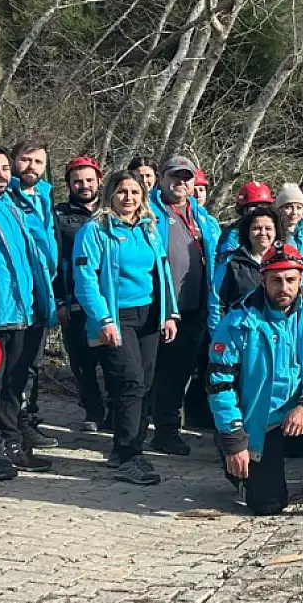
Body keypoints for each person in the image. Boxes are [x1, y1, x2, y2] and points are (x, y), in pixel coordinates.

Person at [207, 242, 303, 516]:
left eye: (291, 280)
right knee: (267, 506)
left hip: (302, 412)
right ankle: (233, 461)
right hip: (260, 421)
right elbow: (220, 385)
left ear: (301, 278)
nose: (284, 287)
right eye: (276, 280)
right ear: (262, 279)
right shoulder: (237, 322)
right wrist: (234, 439)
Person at [72, 170, 179, 485]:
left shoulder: (150, 229)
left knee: (143, 383)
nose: (128, 198)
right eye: (122, 192)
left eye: (134, 192)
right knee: (130, 381)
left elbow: (163, 273)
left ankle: (126, 447)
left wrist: (169, 313)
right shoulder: (95, 230)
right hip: (117, 316)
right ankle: (129, 454)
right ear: (110, 195)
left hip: (149, 315)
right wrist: (102, 319)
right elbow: (86, 278)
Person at [0, 146, 57, 479]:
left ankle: (13, 443)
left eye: (4, 168)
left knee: (13, 386)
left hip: (25, 310)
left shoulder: (17, 206)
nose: (1, 174)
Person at [148, 155, 222, 454]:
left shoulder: (204, 218)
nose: (180, 182)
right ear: (161, 178)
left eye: (186, 177)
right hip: (158, 306)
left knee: (178, 373)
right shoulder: (149, 212)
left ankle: (166, 430)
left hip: (195, 306)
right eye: (174, 176)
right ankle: (139, 430)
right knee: (151, 372)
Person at [7, 140, 59, 450]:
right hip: (16, 293)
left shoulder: (43, 196)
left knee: (32, 363)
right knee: (14, 365)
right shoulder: (6, 196)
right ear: (14, 161)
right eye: (26, 160)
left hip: (42, 289)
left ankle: (27, 420)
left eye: (39, 161)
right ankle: (12, 427)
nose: (32, 167)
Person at [54, 156, 108, 432]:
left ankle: (114, 412)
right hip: (74, 301)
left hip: (110, 301)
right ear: (69, 184)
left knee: (113, 360)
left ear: (99, 179)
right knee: (82, 361)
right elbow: (54, 261)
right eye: (77, 181)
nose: (84, 185)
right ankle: (93, 411)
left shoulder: (113, 211)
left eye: (89, 179)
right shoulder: (59, 216)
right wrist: (60, 300)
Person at [217, 208, 278, 309]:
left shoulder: (284, 261)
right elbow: (217, 303)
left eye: (268, 228)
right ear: (247, 231)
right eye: (256, 228)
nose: (262, 233)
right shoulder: (231, 262)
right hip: (238, 323)